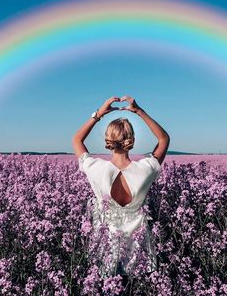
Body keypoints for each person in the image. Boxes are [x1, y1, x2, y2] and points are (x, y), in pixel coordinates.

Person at [72, 95, 170, 279]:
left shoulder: (95, 168)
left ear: (108, 140)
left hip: (105, 243)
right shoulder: (146, 169)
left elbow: (77, 139)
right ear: (131, 140)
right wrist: (139, 111)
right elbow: (164, 139)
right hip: (138, 246)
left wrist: (99, 113)